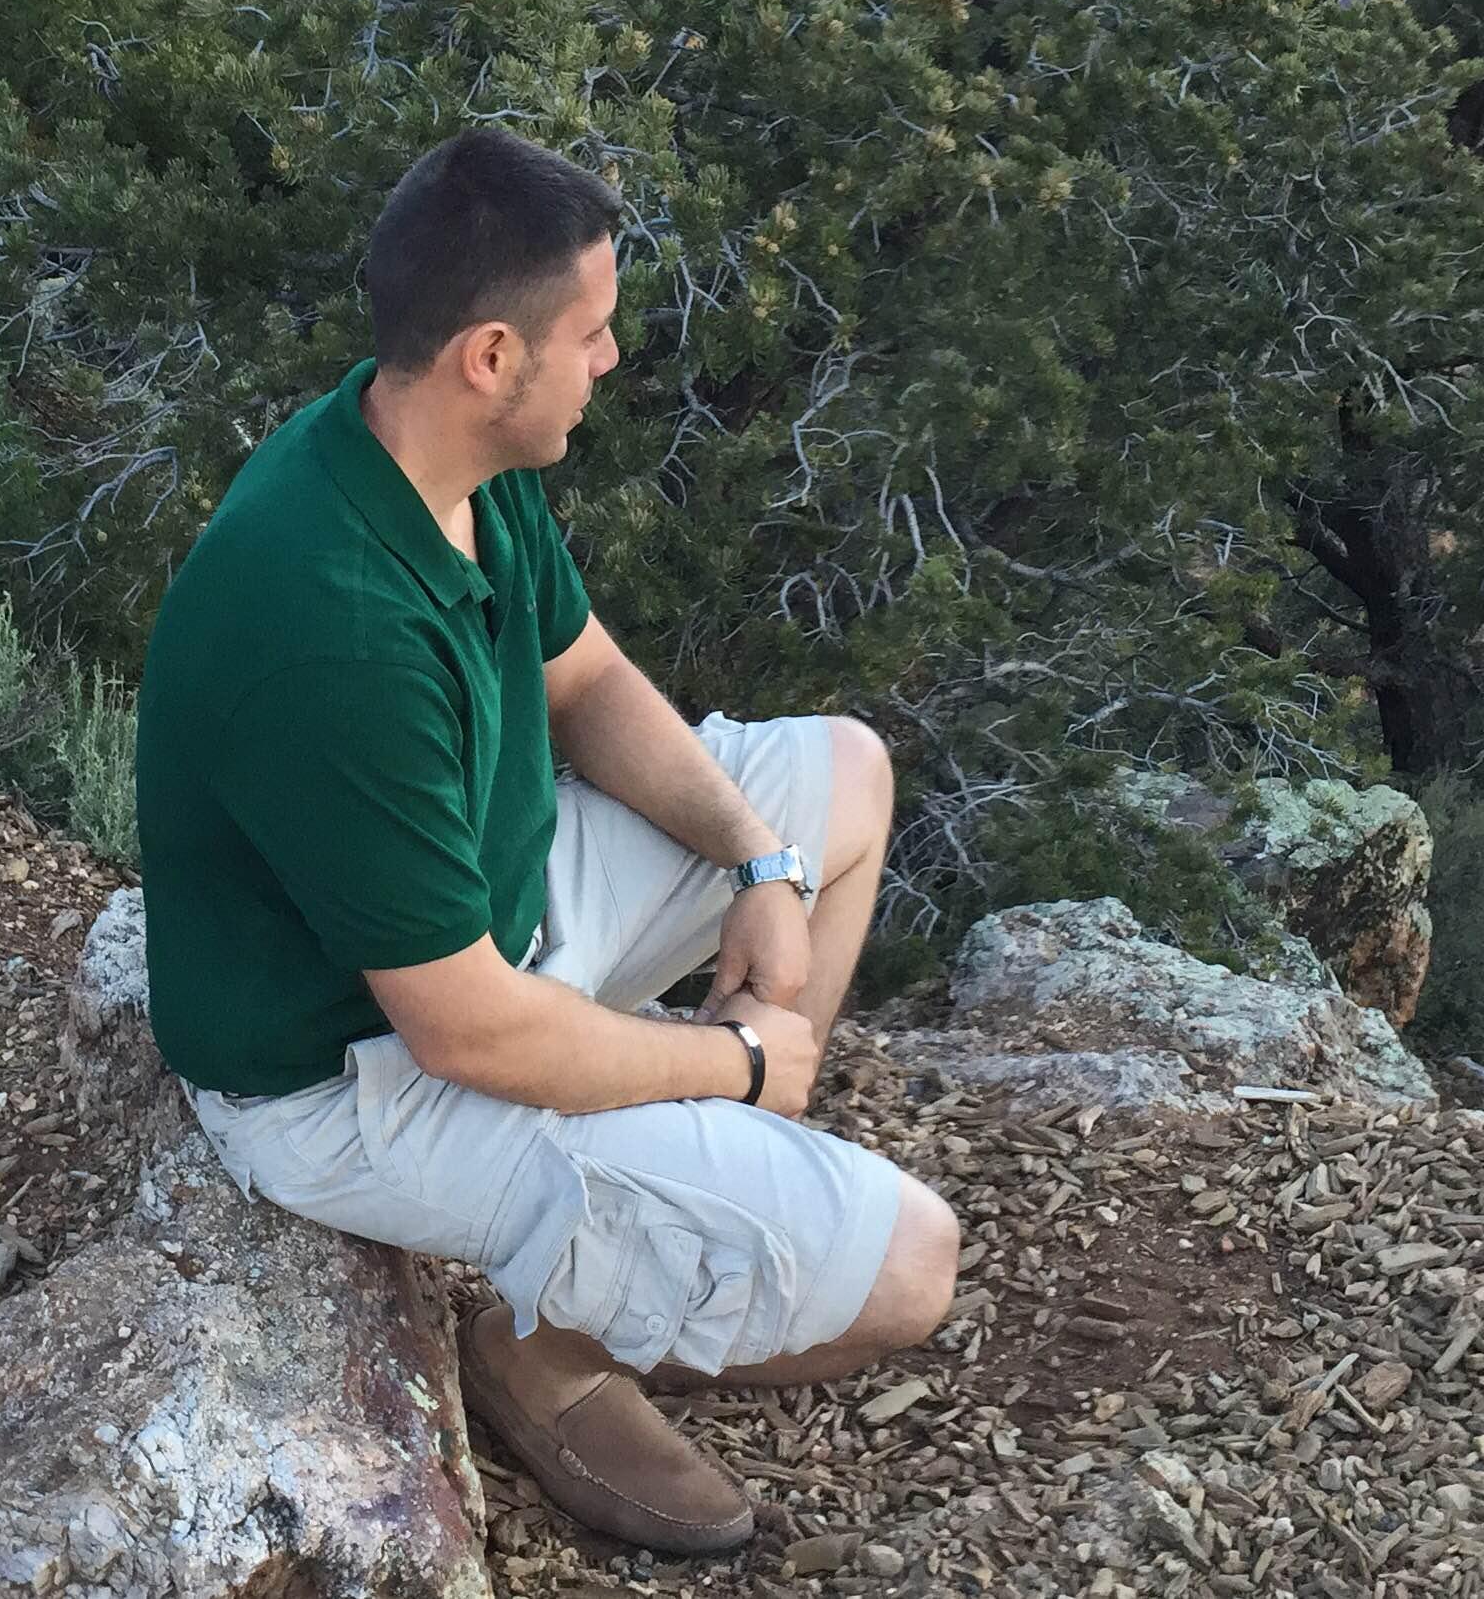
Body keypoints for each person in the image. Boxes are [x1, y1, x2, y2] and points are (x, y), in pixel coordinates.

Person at [121, 128, 955, 1553]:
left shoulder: (443, 464)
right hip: (350, 1079)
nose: (615, 360)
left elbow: (587, 682)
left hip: (497, 919)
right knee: (911, 1273)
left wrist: (758, 860)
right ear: (492, 357)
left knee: (846, 781)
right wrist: (737, 1066)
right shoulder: (331, 627)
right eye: (594, 331)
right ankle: (544, 1342)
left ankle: (645, 1209)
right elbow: (463, 1033)